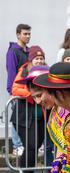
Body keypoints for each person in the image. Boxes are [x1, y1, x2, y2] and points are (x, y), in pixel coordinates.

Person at [11, 46, 47, 173]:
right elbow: (15, 89)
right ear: (31, 60)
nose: (39, 60)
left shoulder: (46, 72)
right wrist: (32, 93)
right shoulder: (24, 70)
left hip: (39, 117)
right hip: (23, 117)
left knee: (35, 146)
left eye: (41, 58)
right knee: (30, 146)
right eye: (36, 58)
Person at [6, 23, 31, 156]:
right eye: (25, 34)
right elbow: (11, 71)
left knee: (25, 118)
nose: (27, 36)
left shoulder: (29, 51)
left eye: (29, 34)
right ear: (18, 35)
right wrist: (11, 91)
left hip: (28, 92)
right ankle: (17, 145)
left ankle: (24, 145)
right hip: (17, 91)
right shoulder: (13, 51)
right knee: (16, 118)